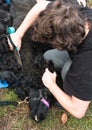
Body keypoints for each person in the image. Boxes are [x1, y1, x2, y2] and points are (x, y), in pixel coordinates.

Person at [7, 0, 91, 119]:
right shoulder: (73, 13)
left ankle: (80, 91)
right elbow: (40, 6)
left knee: (66, 70)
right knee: (49, 56)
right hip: (80, 49)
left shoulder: (85, 65)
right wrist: (18, 35)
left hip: (86, 64)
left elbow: (78, 112)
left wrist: (51, 85)